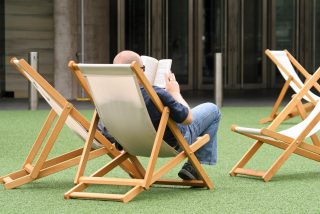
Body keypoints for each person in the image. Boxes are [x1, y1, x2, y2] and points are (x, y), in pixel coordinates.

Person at [102, 50, 221, 180]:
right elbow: (188, 119)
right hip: (170, 143)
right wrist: (175, 92)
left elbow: (106, 130)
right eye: (143, 68)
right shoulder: (156, 93)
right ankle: (193, 166)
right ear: (137, 70)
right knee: (213, 109)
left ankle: (193, 166)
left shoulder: (107, 95)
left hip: (131, 144)